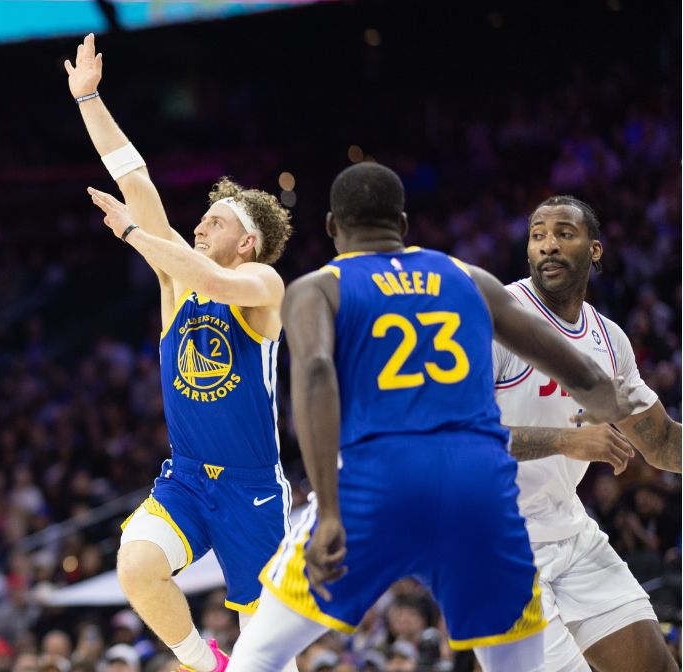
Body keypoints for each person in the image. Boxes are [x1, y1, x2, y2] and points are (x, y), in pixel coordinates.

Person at [220, 162, 635, 672]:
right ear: (403, 223)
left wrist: (328, 510)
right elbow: (584, 375)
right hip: (478, 488)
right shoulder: (469, 278)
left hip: (379, 483)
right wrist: (606, 406)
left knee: (259, 653)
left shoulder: (319, 288)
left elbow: (317, 375)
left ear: (332, 226)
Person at [72, 35, 295, 672]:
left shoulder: (262, 285)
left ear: (247, 242)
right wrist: (88, 99)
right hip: (189, 478)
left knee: (270, 652)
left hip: (253, 489)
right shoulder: (177, 281)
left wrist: (136, 234)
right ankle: (203, 662)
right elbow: (134, 177)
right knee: (136, 565)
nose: (197, 226)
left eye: (214, 222)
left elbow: (213, 279)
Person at [495, 195, 680, 672]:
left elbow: (661, 442)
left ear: (594, 250)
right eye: (538, 236)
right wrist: (565, 441)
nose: (548, 245)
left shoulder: (608, 339)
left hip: (569, 531)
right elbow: (453, 437)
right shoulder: (499, 319)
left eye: (564, 234)